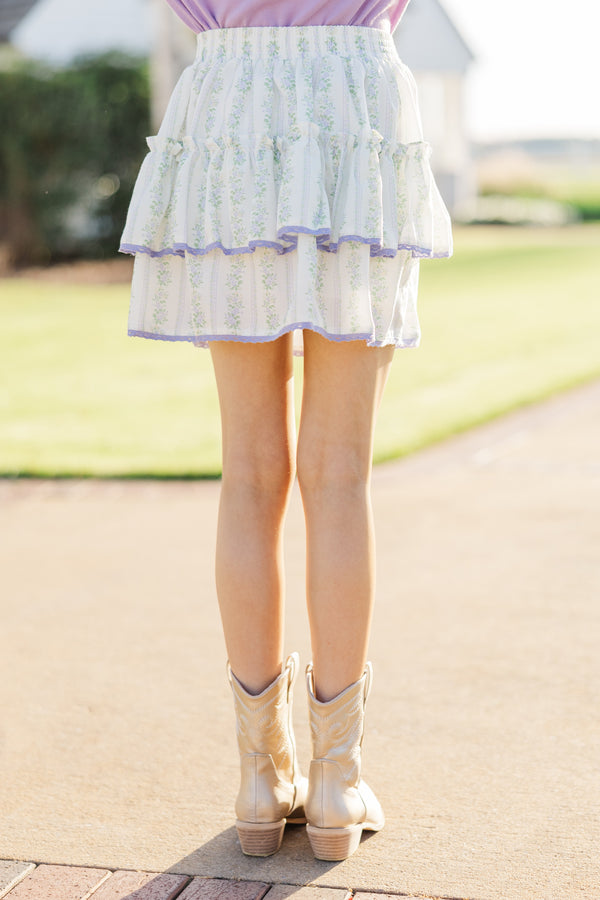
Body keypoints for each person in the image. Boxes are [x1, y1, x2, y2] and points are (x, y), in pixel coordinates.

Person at [119, 0, 452, 862]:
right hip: (355, 96)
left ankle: (261, 777)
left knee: (250, 473)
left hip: (230, 97)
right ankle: (337, 783)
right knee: (339, 473)